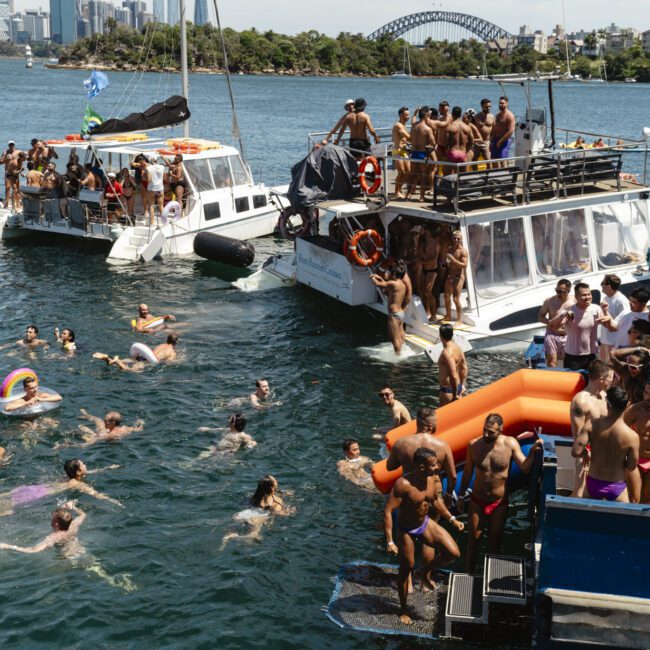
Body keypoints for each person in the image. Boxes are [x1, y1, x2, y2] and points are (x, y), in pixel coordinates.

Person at [384, 448, 462, 625]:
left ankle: (423, 571)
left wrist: (451, 518)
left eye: (436, 463)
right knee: (406, 567)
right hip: (406, 529)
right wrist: (390, 541)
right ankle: (403, 610)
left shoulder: (433, 478)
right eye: (433, 464)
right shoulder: (403, 484)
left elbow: (435, 500)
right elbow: (388, 511)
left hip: (424, 524)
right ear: (421, 467)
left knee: (453, 553)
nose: (437, 467)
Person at [458, 415, 542, 573]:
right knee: (473, 540)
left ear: (500, 431)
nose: (486, 435)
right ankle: (468, 575)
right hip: (477, 500)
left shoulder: (509, 444)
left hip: (499, 502)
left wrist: (531, 453)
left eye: (491, 432)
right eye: (484, 430)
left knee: (494, 541)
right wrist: (461, 496)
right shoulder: (473, 445)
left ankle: (490, 578)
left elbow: (524, 467)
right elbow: (468, 472)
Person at [572, 386, 638, 502]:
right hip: (616, 487)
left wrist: (586, 452)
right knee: (621, 520)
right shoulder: (632, 437)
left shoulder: (591, 425)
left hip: (593, 482)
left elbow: (576, 452)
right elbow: (631, 467)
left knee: (586, 519)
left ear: (607, 404)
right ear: (627, 405)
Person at [386, 407, 458, 508]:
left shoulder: (401, 443)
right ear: (430, 426)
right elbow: (453, 477)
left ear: (417, 422)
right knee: (432, 522)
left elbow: (390, 467)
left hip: (410, 494)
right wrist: (449, 495)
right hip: (433, 496)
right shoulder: (443, 446)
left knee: (410, 522)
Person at [0, 459, 121, 516]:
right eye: (83, 464)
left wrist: (108, 468)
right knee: (8, 507)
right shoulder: (75, 483)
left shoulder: (67, 476)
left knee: (6, 497)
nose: (86, 464)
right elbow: (95, 494)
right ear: (78, 472)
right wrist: (114, 501)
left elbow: (88, 472)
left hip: (32, 488)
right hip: (37, 494)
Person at [569, 360, 614, 496]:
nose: (612, 382)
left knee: (601, 492)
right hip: (586, 451)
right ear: (602, 379)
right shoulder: (581, 400)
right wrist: (584, 453)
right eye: (611, 378)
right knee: (580, 490)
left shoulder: (606, 397)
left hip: (604, 451)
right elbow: (578, 432)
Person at [549, 282, 614, 371]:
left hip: (591, 356)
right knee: (573, 384)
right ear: (576, 297)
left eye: (589, 294)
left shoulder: (596, 309)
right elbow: (553, 326)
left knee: (591, 383)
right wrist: (563, 314)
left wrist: (606, 311)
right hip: (573, 357)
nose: (588, 297)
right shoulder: (570, 311)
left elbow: (610, 328)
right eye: (584, 295)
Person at [220, 475, 292, 549]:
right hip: (256, 519)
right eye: (275, 480)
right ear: (272, 487)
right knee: (252, 538)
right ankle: (234, 536)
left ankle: (228, 536)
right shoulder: (276, 501)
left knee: (234, 529)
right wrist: (289, 511)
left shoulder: (253, 498)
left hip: (243, 515)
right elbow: (278, 513)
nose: (276, 480)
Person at [0, 501, 85, 554]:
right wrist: (73, 507)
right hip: (81, 550)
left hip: (70, 556)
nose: (51, 520)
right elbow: (83, 514)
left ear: (56, 524)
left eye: (53, 519)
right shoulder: (73, 525)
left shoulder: (54, 537)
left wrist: (9, 546)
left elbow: (33, 550)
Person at [370, 260, 409, 355]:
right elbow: (387, 286)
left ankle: (397, 359)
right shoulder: (402, 285)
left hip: (393, 315)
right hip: (400, 314)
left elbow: (377, 284)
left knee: (394, 340)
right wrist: (379, 277)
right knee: (400, 334)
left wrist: (372, 276)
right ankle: (401, 350)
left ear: (395, 273)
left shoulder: (393, 283)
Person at [93, 333, 179, 371]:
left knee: (128, 361)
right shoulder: (172, 352)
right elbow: (169, 363)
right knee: (131, 370)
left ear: (167, 339)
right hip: (149, 360)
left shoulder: (160, 345)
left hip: (143, 356)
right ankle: (117, 361)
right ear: (176, 342)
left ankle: (107, 358)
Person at [623, 380, 650, 503]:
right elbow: (620, 430)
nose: (647, 397)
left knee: (647, 500)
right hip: (636, 461)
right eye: (645, 393)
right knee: (634, 499)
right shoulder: (634, 409)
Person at [538, 279, 574, 367]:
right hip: (552, 334)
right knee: (551, 361)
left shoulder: (574, 302)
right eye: (557, 291)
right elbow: (540, 317)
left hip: (567, 335)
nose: (558, 294)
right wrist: (549, 322)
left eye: (561, 292)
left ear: (568, 291)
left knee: (569, 361)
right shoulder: (549, 301)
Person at [405, 107, 436, 201]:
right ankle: (421, 197)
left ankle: (408, 194)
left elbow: (413, 120)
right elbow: (433, 143)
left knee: (412, 174)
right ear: (426, 116)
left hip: (413, 153)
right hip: (422, 154)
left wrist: (415, 112)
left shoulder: (414, 126)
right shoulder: (427, 129)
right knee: (423, 175)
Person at [598, 274, 629, 360]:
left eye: (602, 283)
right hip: (604, 341)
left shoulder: (622, 300)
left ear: (609, 286)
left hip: (615, 343)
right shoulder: (606, 298)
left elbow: (624, 322)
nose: (601, 285)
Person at [442, 230, 468, 325]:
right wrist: (444, 264)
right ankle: (448, 316)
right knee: (446, 296)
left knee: (456, 299)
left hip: (458, 277)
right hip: (450, 275)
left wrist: (453, 260)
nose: (456, 240)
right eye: (455, 238)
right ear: (452, 238)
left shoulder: (463, 251)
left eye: (458, 238)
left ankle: (459, 320)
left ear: (461, 239)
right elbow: (446, 262)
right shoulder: (449, 249)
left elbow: (464, 265)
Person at [76, 409, 145, 445]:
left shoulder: (123, 430)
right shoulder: (103, 425)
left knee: (91, 430)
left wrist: (140, 423)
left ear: (113, 423)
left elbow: (139, 429)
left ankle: (85, 415)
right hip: (101, 432)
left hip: (100, 434)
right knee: (96, 419)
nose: (104, 421)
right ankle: (85, 414)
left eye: (106, 420)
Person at [438, 323, 468, 404]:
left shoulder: (446, 353)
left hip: (448, 392)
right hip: (458, 388)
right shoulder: (457, 348)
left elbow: (453, 376)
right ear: (452, 334)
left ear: (440, 336)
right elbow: (464, 367)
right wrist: (462, 385)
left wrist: (455, 396)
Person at [418, 224, 440, 320]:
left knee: (427, 292)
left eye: (422, 230)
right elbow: (421, 255)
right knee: (423, 292)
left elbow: (433, 260)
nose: (420, 231)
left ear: (427, 231)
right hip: (424, 269)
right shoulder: (423, 242)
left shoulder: (435, 243)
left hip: (432, 270)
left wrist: (421, 262)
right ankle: (427, 312)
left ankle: (434, 315)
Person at [490, 96, 516, 168]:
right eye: (499, 103)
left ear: (507, 103)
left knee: (503, 160)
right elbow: (494, 129)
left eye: (502, 103)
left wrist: (500, 141)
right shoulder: (497, 115)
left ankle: (505, 176)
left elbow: (511, 131)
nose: (500, 105)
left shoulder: (509, 115)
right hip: (495, 140)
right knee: (494, 160)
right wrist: (491, 141)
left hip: (504, 141)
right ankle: (495, 176)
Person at [391, 107, 411, 198]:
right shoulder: (398, 125)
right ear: (401, 115)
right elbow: (407, 136)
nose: (408, 117)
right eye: (407, 115)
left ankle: (399, 189)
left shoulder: (404, 125)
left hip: (403, 151)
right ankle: (396, 192)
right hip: (397, 151)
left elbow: (404, 139)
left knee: (408, 171)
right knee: (401, 172)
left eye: (409, 115)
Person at [145, 155, 165, 224]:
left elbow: (149, 179)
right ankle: (163, 221)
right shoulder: (162, 167)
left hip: (151, 189)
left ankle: (152, 222)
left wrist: (144, 176)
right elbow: (164, 177)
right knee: (161, 206)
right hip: (160, 189)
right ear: (157, 160)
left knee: (151, 205)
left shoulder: (148, 168)